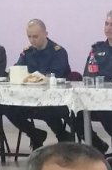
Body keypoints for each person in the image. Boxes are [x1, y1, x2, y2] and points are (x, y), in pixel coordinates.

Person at [5, 19, 73, 149]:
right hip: (30, 99)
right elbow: (18, 70)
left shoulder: (58, 52)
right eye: (29, 36)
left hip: (55, 100)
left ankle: (62, 134)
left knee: (46, 107)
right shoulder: (27, 52)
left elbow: (56, 74)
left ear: (45, 34)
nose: (32, 40)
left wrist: (34, 77)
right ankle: (34, 133)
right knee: (7, 107)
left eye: (35, 36)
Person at [76, 10, 112, 154]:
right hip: (98, 97)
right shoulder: (97, 49)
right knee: (75, 112)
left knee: (106, 111)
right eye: (106, 24)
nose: (108, 28)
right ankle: (97, 145)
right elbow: (88, 74)